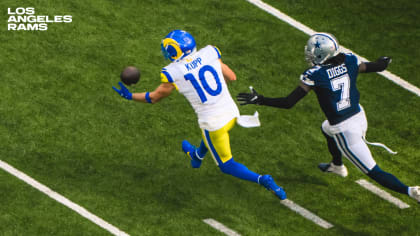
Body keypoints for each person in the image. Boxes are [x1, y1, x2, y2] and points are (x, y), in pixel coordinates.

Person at [237, 32, 419, 203]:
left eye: (312, 52)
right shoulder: (350, 60)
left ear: (321, 54)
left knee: (373, 171)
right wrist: (384, 61)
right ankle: (337, 165)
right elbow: (378, 66)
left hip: (345, 129)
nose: (309, 55)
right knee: (326, 127)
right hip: (359, 116)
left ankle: (411, 191)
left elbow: (288, 102)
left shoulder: (315, 75)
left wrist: (260, 100)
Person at [113, 30, 286, 200]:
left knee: (227, 165)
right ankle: (197, 155)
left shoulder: (173, 72)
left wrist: (130, 96)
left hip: (213, 123)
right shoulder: (209, 52)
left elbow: (154, 97)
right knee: (213, 138)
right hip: (232, 113)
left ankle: (262, 179)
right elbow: (231, 77)